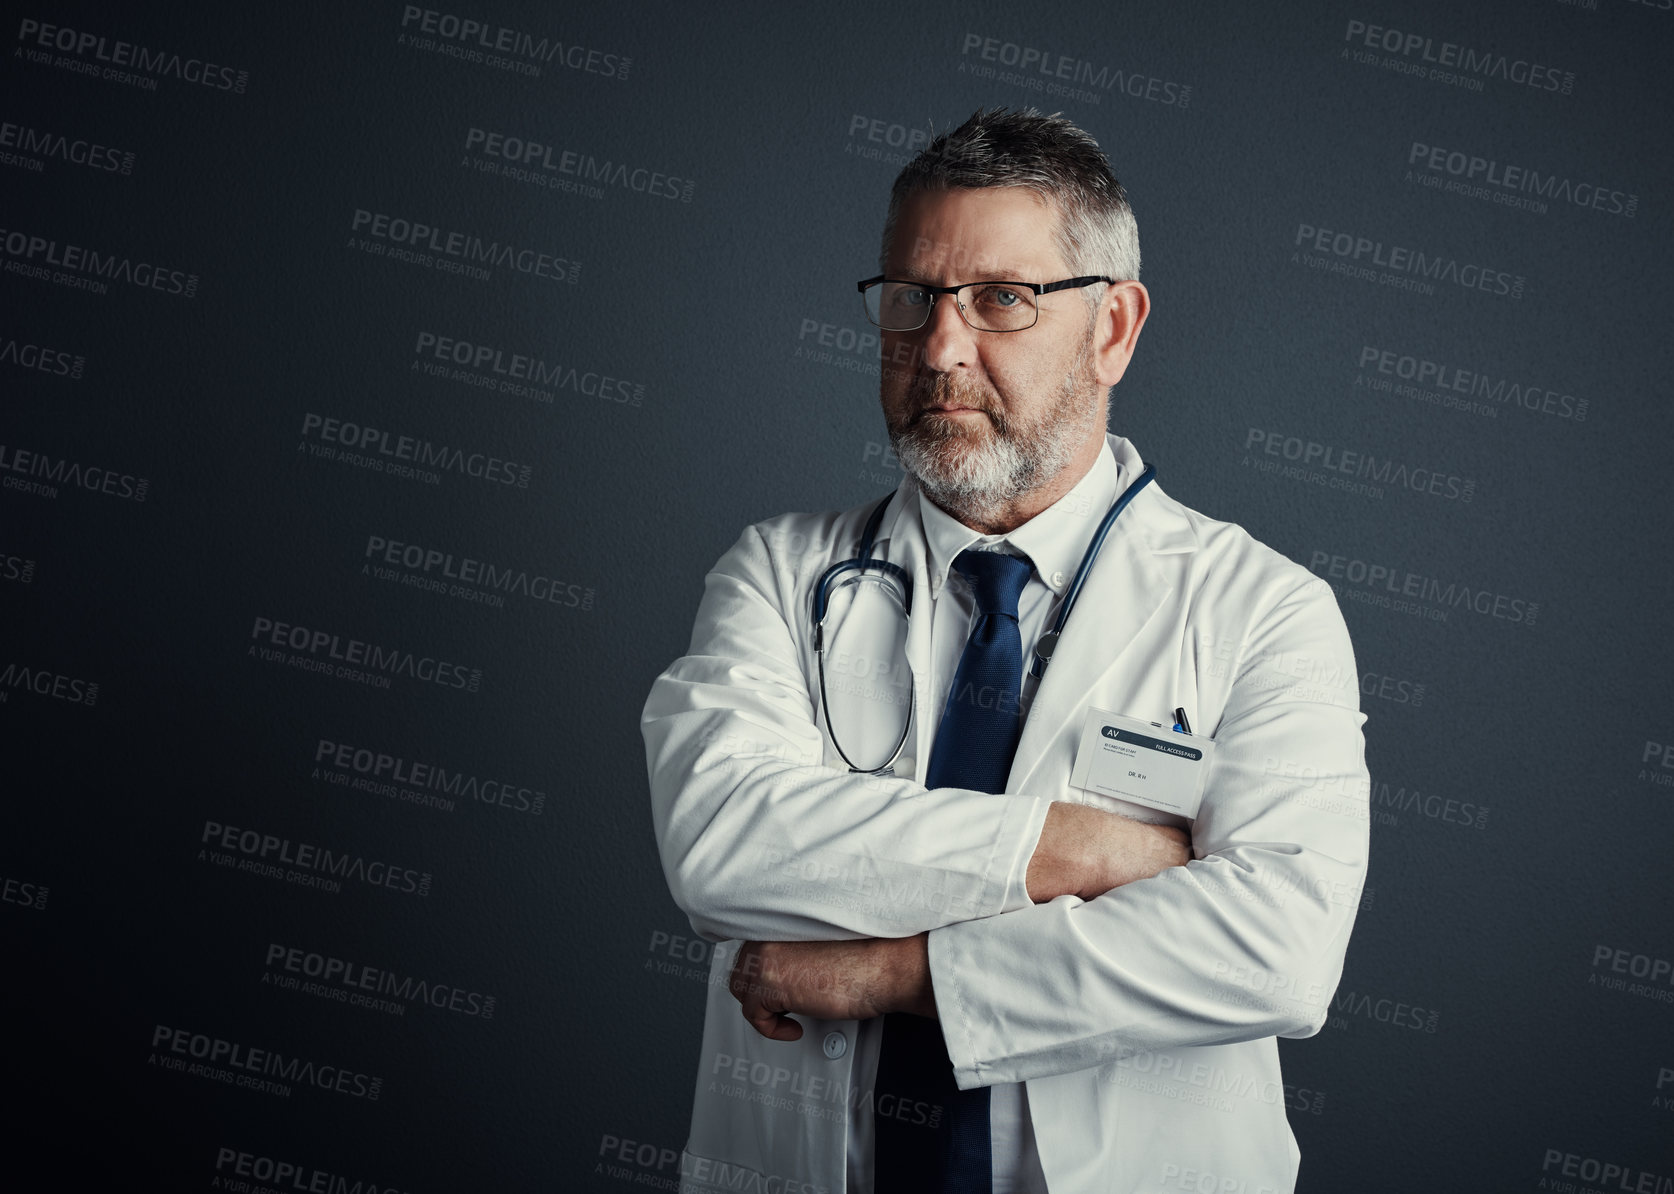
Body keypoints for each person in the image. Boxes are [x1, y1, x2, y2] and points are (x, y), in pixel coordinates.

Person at [642, 107, 1369, 1194]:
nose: (940, 349)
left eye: (1000, 300)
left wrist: (896, 973)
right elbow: (721, 844)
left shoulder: (1263, 608)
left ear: (1113, 328)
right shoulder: (781, 576)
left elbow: (1276, 953)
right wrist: (1077, 848)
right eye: (911, 300)